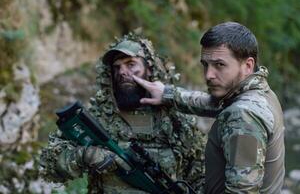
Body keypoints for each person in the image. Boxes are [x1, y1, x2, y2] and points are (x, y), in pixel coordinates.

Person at [40, 33, 207, 194]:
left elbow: (202, 177)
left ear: (149, 69)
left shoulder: (176, 121)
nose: (122, 72)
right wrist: (85, 155)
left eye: (131, 64)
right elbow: (50, 163)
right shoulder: (98, 117)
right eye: (117, 67)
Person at [133, 22, 285, 193]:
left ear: (248, 65)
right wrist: (168, 94)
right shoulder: (261, 95)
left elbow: (242, 191)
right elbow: (212, 104)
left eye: (219, 65)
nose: (208, 75)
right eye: (205, 65)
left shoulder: (243, 115)